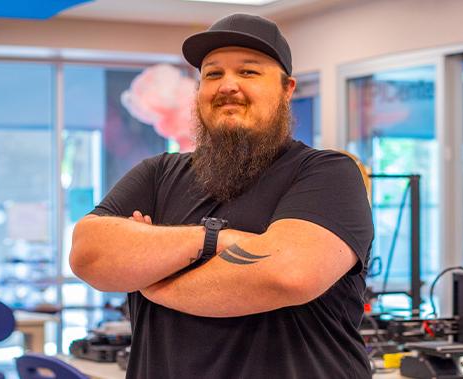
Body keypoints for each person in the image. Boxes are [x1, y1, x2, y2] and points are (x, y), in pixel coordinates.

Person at [69, 13, 374, 378]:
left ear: (287, 89)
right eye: (213, 74)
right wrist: (214, 239)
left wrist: (151, 277)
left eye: (248, 72)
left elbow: (286, 276)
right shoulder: (157, 173)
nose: (227, 85)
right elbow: (89, 255)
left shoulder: (328, 173)